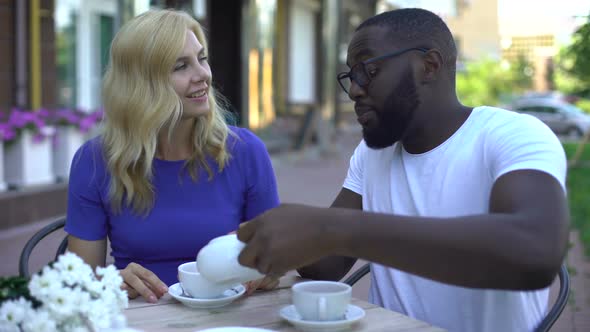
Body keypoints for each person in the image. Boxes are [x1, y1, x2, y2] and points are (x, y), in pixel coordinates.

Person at [236, 8, 569, 332]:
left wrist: (331, 228)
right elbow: (328, 263)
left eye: (369, 70)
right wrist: (279, 246)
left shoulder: (511, 135)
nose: (354, 89)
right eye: (351, 76)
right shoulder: (372, 155)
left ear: (429, 65)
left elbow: (534, 253)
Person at [65, 9, 280, 303]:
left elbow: (276, 261)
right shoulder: (95, 161)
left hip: (229, 318)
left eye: (201, 59)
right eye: (181, 66)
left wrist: (267, 270)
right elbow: (77, 282)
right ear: (140, 84)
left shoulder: (246, 152)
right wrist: (111, 280)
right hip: (141, 317)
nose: (203, 74)